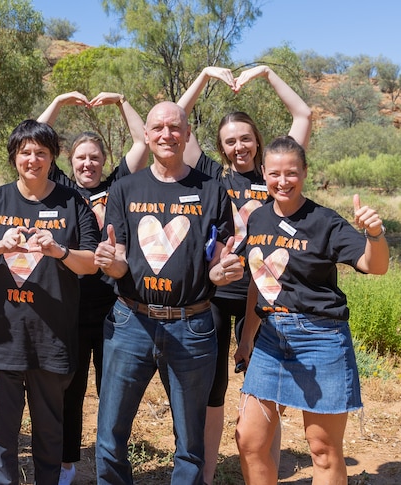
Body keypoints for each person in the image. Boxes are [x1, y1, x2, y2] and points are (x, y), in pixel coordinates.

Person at [94, 101, 243, 485]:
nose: (166, 135)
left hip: (191, 325)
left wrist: (221, 272)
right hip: (130, 322)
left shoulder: (212, 190)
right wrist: (111, 264)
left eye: (175, 128)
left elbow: (217, 255)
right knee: (111, 437)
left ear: (188, 134)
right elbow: (121, 257)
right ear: (146, 135)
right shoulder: (125, 189)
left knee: (190, 444)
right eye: (158, 128)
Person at [177, 65, 312, 483]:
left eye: (246, 138)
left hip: (270, 298)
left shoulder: (276, 174)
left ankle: (265, 475)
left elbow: (303, 116)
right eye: (230, 141)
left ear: (258, 140)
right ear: (221, 147)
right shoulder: (212, 177)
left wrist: (269, 74)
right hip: (217, 296)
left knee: (268, 393)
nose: (240, 147)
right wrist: (202, 76)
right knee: (213, 393)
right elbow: (178, 116)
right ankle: (208, 476)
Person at [233, 136, 389, 485]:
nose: (283, 181)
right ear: (263, 173)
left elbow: (373, 265)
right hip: (271, 339)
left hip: (321, 339)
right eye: (274, 173)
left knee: (322, 448)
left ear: (304, 173)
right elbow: (258, 283)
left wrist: (375, 235)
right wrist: (247, 340)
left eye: (291, 173)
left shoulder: (324, 221)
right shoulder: (258, 219)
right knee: (249, 441)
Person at [0, 120, 100, 485]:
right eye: (25, 152)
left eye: (41, 152)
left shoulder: (72, 203)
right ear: (14, 158)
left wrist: (59, 251)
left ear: (52, 158)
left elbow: (90, 264)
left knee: (49, 438)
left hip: (50, 341)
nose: (33, 159)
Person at [37, 90, 149, 484]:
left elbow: (142, 142)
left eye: (94, 158)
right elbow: (37, 136)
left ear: (104, 162)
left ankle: (107, 465)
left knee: (110, 392)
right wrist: (61, 102)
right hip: (67, 306)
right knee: (69, 389)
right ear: (69, 162)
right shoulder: (63, 190)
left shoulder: (118, 185)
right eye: (81, 158)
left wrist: (122, 102)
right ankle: (67, 465)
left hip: (112, 308)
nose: (88, 163)